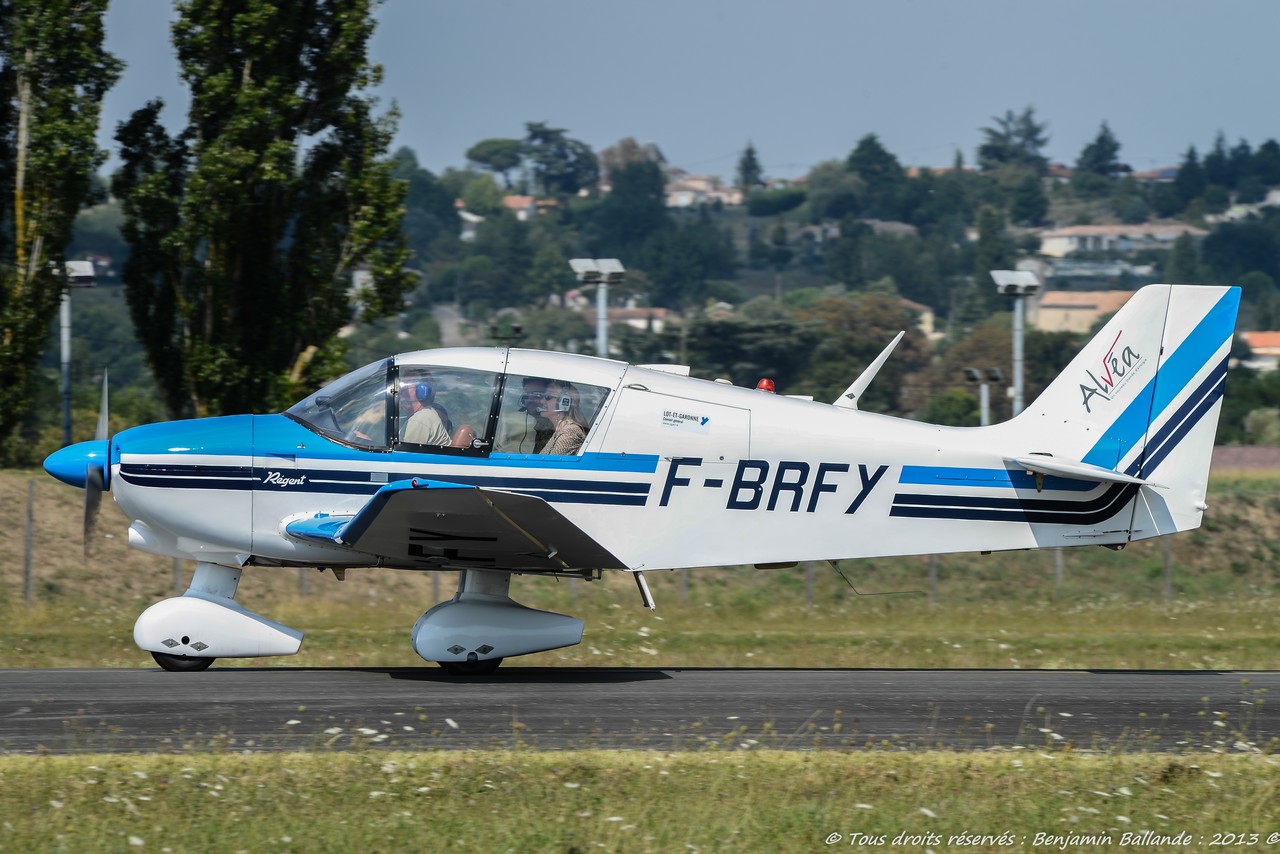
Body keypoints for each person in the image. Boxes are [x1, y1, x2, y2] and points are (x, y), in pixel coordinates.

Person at [494, 376, 553, 453]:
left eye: (536, 395)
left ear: (547, 397)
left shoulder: (552, 428)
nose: (529, 400)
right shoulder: (541, 425)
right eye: (526, 394)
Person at [536, 380, 589, 456]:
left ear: (564, 402)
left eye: (548, 397)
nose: (541, 401)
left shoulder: (570, 432)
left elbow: (551, 465)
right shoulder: (559, 429)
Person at [399, 378, 451, 446]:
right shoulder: (424, 415)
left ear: (421, 390)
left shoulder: (420, 419)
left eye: (404, 388)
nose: (400, 393)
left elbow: (405, 455)